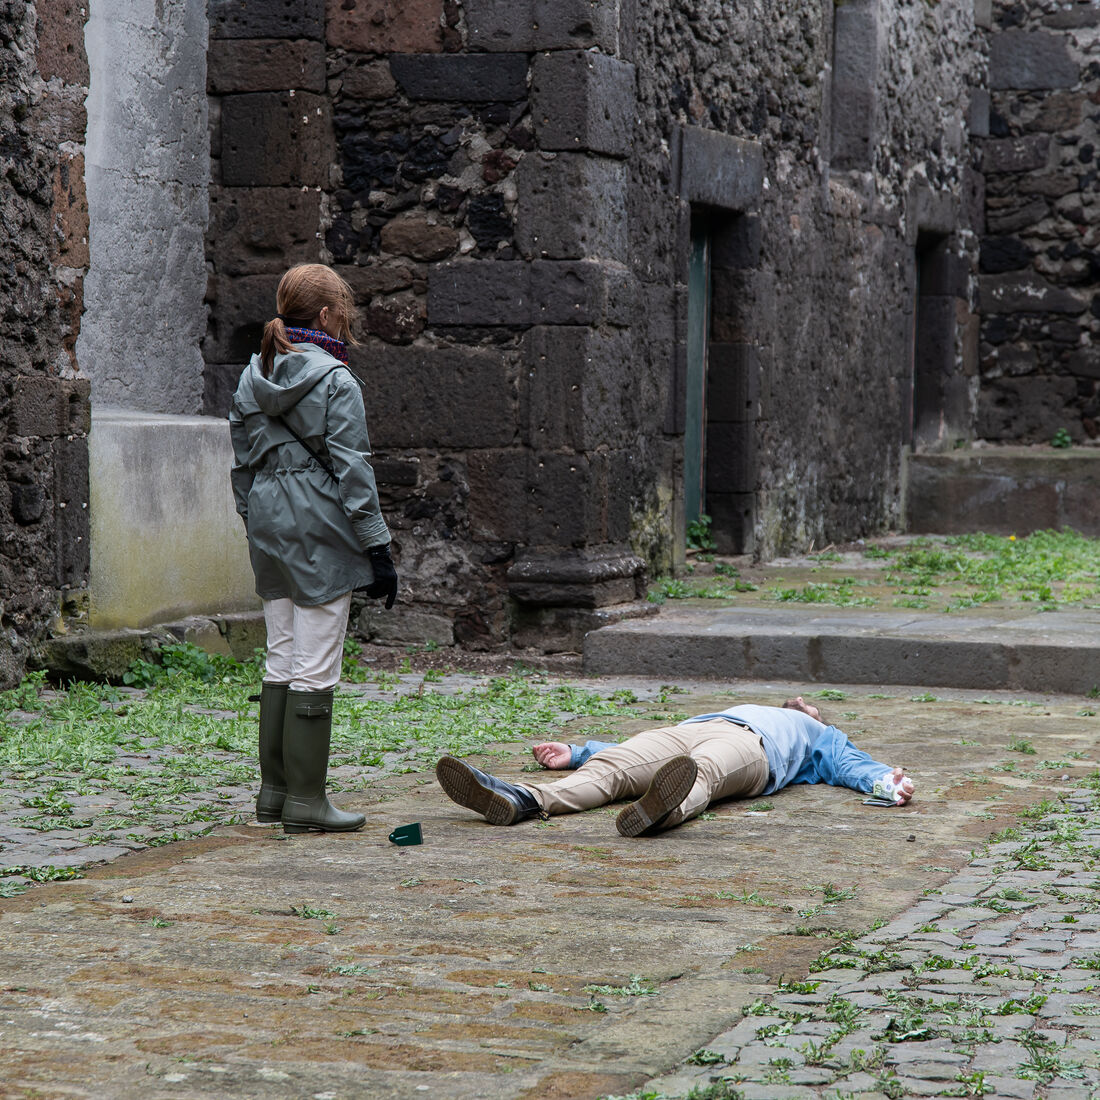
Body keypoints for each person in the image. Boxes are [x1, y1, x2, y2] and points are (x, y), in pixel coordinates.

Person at [229, 264, 397, 834]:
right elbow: (353, 471)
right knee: (316, 663)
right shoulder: (336, 381)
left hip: (268, 523)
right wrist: (378, 547)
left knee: (280, 654)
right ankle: (307, 803)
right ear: (326, 315)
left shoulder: (254, 376)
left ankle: (272, 796)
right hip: (320, 527)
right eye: (342, 310)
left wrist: (256, 517)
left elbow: (241, 463)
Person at [436, 696, 914, 837]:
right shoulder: (743, 704)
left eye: (810, 705)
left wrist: (883, 780)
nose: (803, 702)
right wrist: (579, 751)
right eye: (798, 701)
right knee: (612, 766)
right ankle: (520, 799)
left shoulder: (819, 735)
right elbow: (630, 752)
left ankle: (663, 811)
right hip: (695, 727)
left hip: (754, 751)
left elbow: (856, 766)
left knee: (700, 770)